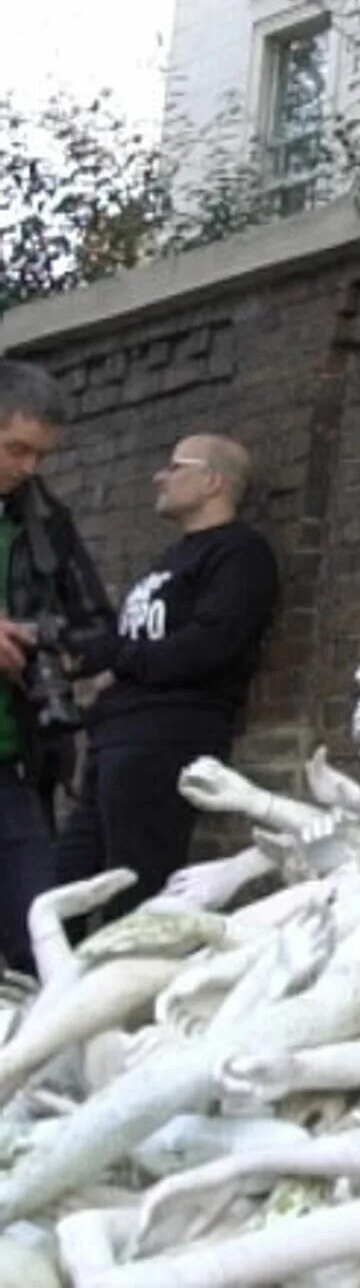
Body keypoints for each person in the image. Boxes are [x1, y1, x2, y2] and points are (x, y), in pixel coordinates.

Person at [56, 433, 279, 913]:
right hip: (113, 739)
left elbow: (207, 646)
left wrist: (119, 657)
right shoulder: (170, 560)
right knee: (66, 883)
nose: (161, 476)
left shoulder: (240, 553)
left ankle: (128, 986)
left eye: (176, 466)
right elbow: (139, 646)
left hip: (165, 737)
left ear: (212, 481)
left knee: (134, 888)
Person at [0, 360, 114, 972]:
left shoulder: (47, 521)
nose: (28, 469)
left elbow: (100, 626)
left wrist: (42, 640)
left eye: (40, 455)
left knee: (42, 941)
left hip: (14, 765)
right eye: (17, 449)